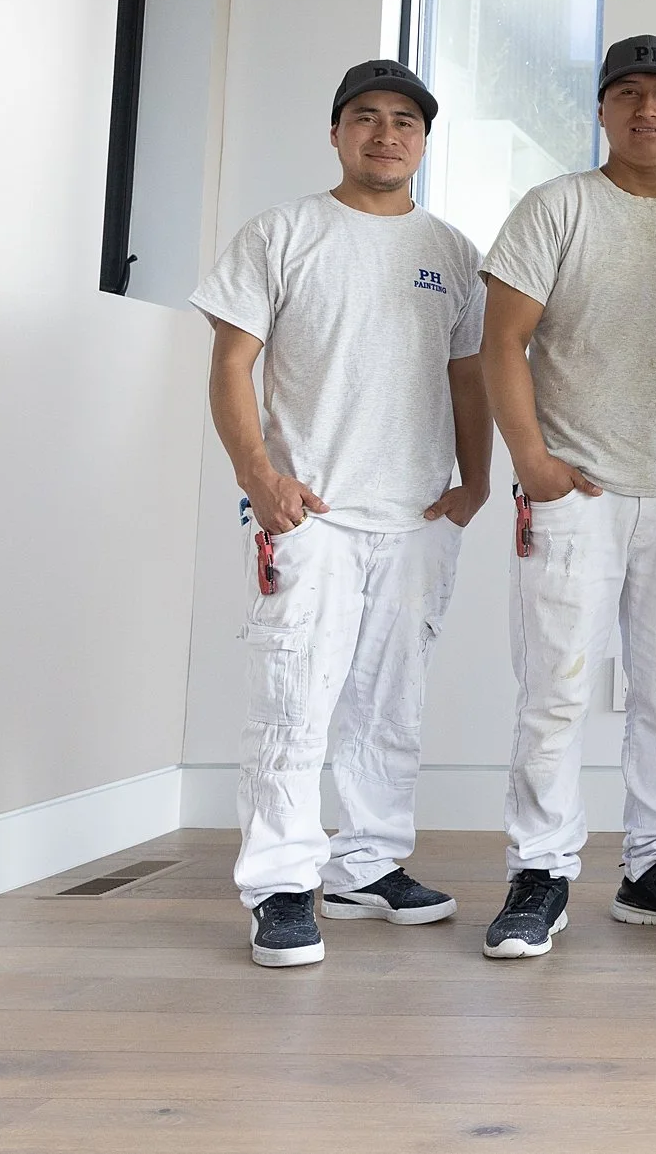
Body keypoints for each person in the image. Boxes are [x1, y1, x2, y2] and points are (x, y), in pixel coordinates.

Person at [476, 34, 656, 959]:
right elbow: (502, 341)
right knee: (556, 692)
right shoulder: (556, 207)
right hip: (575, 494)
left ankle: (655, 865)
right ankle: (541, 870)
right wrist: (533, 463)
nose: (648, 110)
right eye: (629, 94)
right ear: (602, 111)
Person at [192, 59, 491, 969]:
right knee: (294, 697)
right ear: (336, 132)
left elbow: (468, 374)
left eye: (405, 120)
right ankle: (282, 885)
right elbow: (231, 362)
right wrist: (260, 474)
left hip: (415, 516)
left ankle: (367, 863)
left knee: (389, 700)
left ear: (425, 141)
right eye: (366, 117)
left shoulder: (450, 250)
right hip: (309, 510)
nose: (386, 133)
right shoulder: (284, 233)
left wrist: (474, 482)